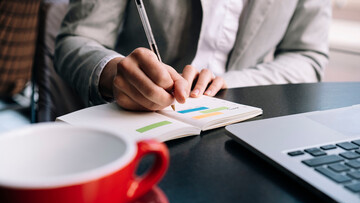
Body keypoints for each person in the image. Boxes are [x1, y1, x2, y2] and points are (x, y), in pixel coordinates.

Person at [54, 0, 331, 111]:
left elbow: (306, 55)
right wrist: (115, 72)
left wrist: (229, 84)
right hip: (136, 125)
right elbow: (76, 39)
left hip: (245, 126)